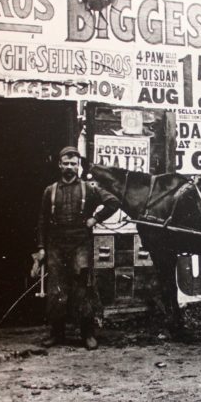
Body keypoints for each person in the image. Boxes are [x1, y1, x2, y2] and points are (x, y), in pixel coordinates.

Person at [36, 146, 119, 350]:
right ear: (59, 165)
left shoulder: (89, 189)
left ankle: (88, 335)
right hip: (56, 245)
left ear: (79, 166)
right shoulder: (50, 191)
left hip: (80, 244)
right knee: (56, 290)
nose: (70, 167)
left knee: (83, 289)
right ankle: (57, 334)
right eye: (66, 163)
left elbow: (113, 202)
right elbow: (42, 221)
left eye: (74, 164)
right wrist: (41, 247)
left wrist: (95, 219)